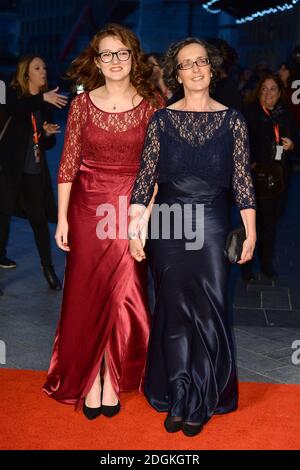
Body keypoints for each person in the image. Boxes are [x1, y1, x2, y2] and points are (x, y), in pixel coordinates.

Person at [129, 38, 256, 437]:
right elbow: (146, 180)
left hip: (213, 221)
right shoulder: (161, 121)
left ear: (212, 68)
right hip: (168, 222)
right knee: (173, 310)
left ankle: (203, 395)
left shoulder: (233, 120)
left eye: (202, 61)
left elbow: (242, 180)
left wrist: (251, 231)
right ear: (177, 73)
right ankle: (179, 392)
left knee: (209, 310)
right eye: (187, 64)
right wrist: (136, 229)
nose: (196, 69)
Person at [43, 23, 163, 420]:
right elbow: (67, 165)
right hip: (86, 208)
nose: (115, 61)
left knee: (125, 293)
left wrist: (143, 217)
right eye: (107, 54)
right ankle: (90, 376)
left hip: (131, 207)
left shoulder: (152, 104)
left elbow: (156, 169)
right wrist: (61, 220)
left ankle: (112, 375)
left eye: (122, 53)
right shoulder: (81, 105)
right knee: (86, 293)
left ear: (134, 57)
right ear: (97, 60)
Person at [0, 55, 67, 291]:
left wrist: (47, 133)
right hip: (8, 169)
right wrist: (42, 98)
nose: (43, 71)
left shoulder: (45, 103)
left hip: (33, 169)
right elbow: (16, 108)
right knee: (3, 217)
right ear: (26, 73)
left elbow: (45, 144)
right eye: (37, 68)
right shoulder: (11, 93)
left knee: (39, 220)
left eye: (44, 67)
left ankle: (47, 268)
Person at [241, 73, 298, 281]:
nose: (268, 94)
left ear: (280, 92)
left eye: (273, 89)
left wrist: (292, 145)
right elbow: (241, 144)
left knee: (271, 223)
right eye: (264, 89)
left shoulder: (286, 115)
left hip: (279, 178)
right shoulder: (250, 114)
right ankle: (246, 266)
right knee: (252, 223)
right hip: (256, 178)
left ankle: (266, 264)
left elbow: (296, 141)